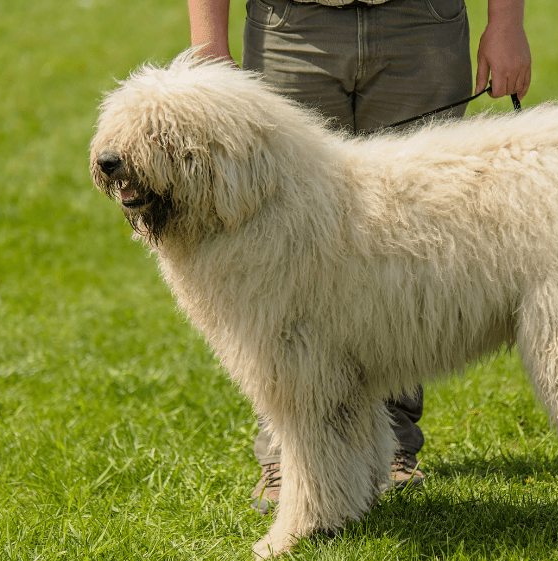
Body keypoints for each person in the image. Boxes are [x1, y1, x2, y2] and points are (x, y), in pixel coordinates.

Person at [187, 0, 531, 513]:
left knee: (409, 243)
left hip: (423, 25)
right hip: (291, 26)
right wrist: (208, 41)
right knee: (275, 247)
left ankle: (390, 446)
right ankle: (289, 456)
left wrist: (506, 24)